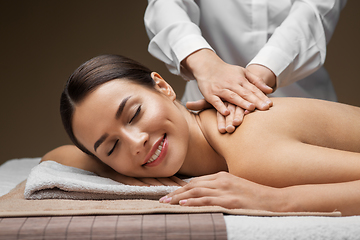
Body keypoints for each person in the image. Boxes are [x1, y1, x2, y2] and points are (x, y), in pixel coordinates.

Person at [44, 54, 360, 216]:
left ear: (164, 87)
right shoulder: (192, 143)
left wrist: (276, 200)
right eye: (112, 146)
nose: (136, 141)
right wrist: (119, 171)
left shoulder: (249, 150)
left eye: (135, 114)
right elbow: (55, 157)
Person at [144, 0, 347, 133]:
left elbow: (314, 12)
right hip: (211, 111)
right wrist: (206, 64)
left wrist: (252, 81)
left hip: (305, 106)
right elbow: (166, 5)